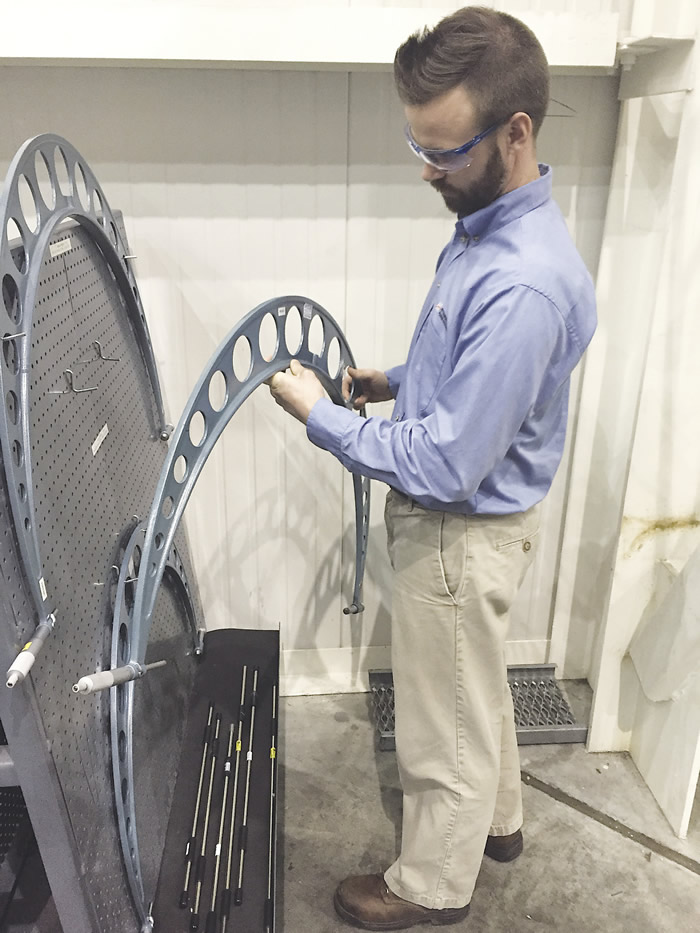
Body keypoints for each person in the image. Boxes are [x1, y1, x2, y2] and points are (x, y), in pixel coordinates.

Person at [268, 6, 597, 930]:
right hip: (482, 529)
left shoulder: (521, 278)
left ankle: (433, 883)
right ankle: (499, 823)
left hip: (458, 533)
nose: (426, 168)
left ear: (517, 133)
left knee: (437, 728)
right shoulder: (495, 228)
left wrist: (324, 418)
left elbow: (451, 460)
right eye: (416, 143)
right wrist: (396, 378)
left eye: (444, 151)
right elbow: (478, 374)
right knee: (475, 687)